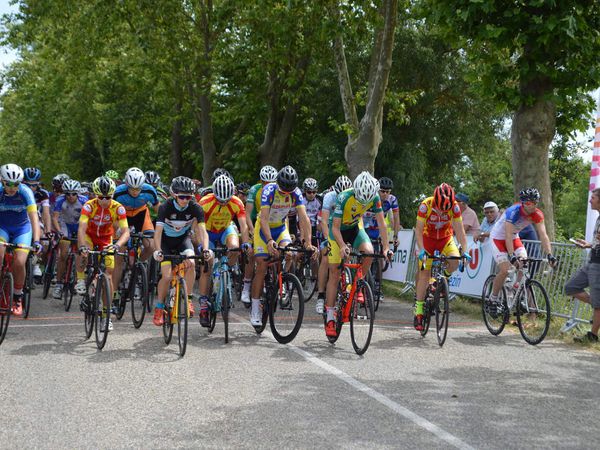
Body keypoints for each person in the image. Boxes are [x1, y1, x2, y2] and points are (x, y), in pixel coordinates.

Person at [324, 172, 392, 337]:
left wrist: (385, 248)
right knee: (334, 273)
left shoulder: (374, 197)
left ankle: (357, 283)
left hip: (355, 228)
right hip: (337, 231)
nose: (364, 203)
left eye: (366, 201)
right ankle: (330, 317)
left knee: (369, 252)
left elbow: (382, 223)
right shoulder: (344, 197)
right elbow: (334, 227)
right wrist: (341, 246)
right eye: (361, 199)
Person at [250, 166, 316, 327]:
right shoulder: (269, 190)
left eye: (289, 190)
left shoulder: (296, 193)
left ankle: (283, 280)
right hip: (263, 229)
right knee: (261, 265)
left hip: (280, 228)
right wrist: (269, 241)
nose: (286, 193)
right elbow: (264, 219)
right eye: (283, 189)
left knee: (290, 254)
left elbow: (304, 218)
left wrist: (308, 242)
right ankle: (255, 308)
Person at [152, 176, 212, 326]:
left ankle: (189, 299)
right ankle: (159, 307)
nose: (185, 200)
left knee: (191, 262)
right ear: (174, 195)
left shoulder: (195, 208)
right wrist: (158, 250)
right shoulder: (165, 207)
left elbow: (203, 231)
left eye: (189, 197)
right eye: (182, 197)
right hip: (165, 242)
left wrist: (205, 249)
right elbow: (158, 232)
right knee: (166, 276)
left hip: (182, 241)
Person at [487, 188, 557, 313]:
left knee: (525, 262)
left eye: (535, 202)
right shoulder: (513, 211)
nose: (533, 206)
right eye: (530, 203)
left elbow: (543, 235)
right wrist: (511, 255)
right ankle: (493, 298)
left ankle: (515, 289)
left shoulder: (538, 214)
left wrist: (549, 255)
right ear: (523, 203)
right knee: (505, 270)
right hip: (498, 238)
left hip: (514, 238)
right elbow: (507, 234)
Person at [77, 176, 130, 332]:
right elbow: (81, 228)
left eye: (108, 197)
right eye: (101, 197)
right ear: (95, 195)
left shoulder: (118, 208)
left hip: (106, 239)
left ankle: (106, 316)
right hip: (90, 236)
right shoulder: (88, 206)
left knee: (108, 274)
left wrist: (117, 245)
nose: (105, 200)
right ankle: (80, 279)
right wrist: (81, 247)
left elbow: (126, 231)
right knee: (84, 250)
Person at [414, 183, 470, 331]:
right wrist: (422, 250)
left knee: (455, 261)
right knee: (424, 273)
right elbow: (418, 231)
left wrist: (465, 251)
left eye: (445, 209)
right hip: (427, 239)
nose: (442, 211)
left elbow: (460, 232)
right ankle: (418, 311)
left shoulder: (455, 207)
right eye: (440, 207)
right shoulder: (425, 205)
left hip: (445, 238)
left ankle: (443, 280)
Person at [197, 175, 250, 326]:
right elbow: (197, 226)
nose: (224, 203)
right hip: (207, 232)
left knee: (235, 247)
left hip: (225, 229)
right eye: (220, 200)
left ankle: (228, 268)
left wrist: (245, 243)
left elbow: (243, 225)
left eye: (226, 200)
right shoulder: (205, 202)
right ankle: (203, 306)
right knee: (207, 264)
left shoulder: (237, 202)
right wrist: (203, 245)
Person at [0, 164, 42, 315]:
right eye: (8, 184)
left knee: (19, 261)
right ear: (2, 181)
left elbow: (34, 219)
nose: (12, 187)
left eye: (16, 184)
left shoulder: (26, 192)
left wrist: (37, 241)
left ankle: (18, 296)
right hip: (2, 227)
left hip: (22, 229)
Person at [565, 188, 600, 343]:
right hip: (591, 261)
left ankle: (593, 335)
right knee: (570, 287)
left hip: (598, 265)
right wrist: (588, 245)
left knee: (598, 303)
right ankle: (597, 304)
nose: (590, 200)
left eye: (593, 197)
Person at [315, 175, 352, 315]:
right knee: (325, 257)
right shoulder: (329, 197)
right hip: (329, 229)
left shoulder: (351, 197)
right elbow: (324, 222)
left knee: (347, 252)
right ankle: (320, 295)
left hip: (342, 228)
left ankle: (345, 283)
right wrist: (327, 240)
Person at [242, 165, 278, 304]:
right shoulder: (254, 190)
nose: (268, 185)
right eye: (265, 183)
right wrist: (251, 230)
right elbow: (247, 214)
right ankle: (246, 285)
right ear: (261, 182)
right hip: (255, 221)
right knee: (251, 253)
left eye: (271, 183)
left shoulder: (278, 192)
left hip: (272, 224)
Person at [51, 179, 88, 299]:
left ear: (78, 193)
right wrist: (59, 231)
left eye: (73, 194)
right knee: (64, 254)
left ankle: (78, 280)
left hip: (78, 225)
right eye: (68, 194)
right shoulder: (60, 200)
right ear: (64, 193)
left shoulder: (84, 201)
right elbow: (55, 218)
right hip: (64, 224)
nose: (70, 196)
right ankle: (59, 284)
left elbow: (89, 219)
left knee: (81, 253)